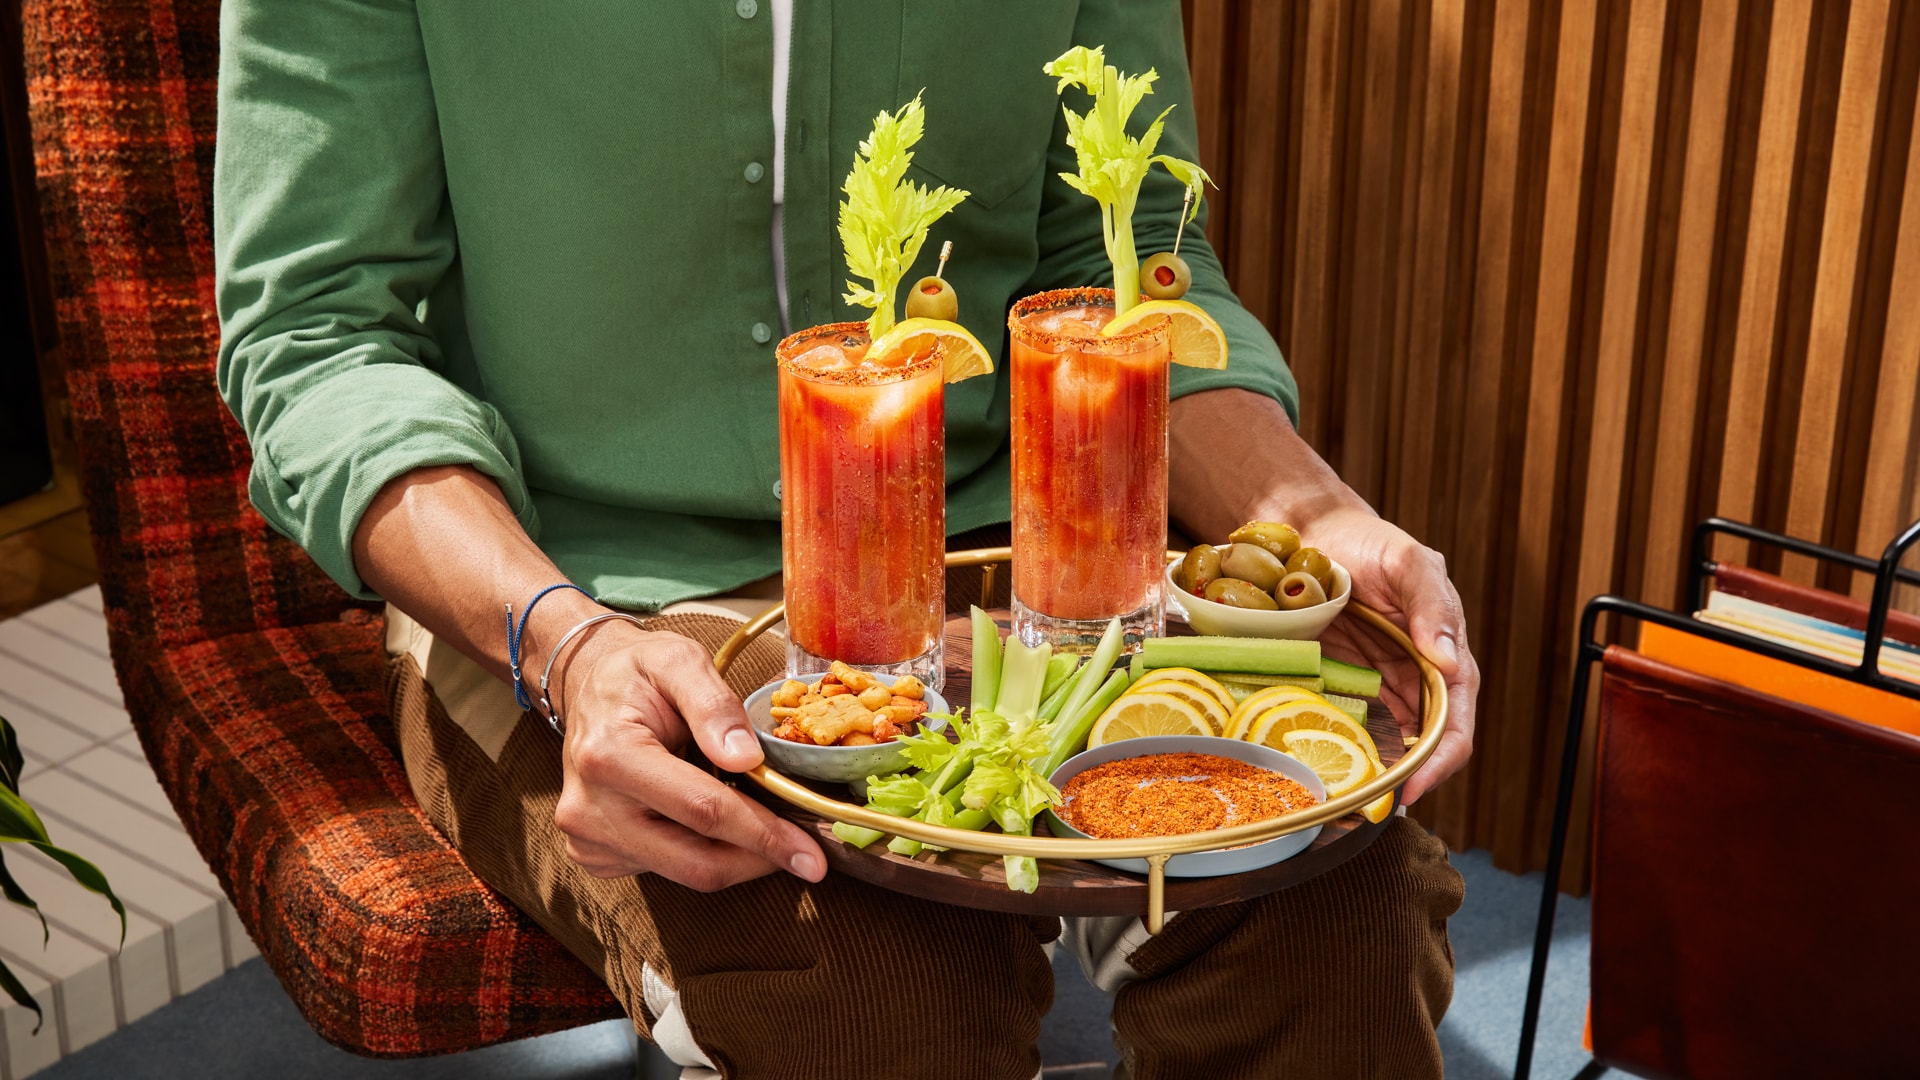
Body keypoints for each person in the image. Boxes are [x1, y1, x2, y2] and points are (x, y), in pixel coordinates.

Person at [215, 2, 1477, 1076]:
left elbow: (1139, 268)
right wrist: (565, 645)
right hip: (574, 590)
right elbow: (317, 337)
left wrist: (1312, 518)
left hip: (1016, 561)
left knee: (1343, 926)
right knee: (869, 1001)